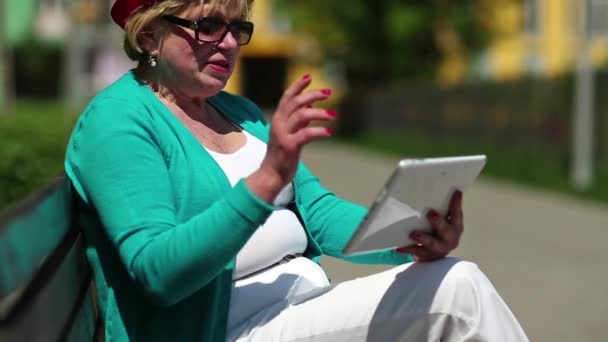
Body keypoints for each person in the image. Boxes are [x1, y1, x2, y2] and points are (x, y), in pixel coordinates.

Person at [64, 0, 530, 341]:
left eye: (236, 28)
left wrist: (408, 238)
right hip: (221, 331)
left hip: (302, 307)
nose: (228, 42)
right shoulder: (118, 122)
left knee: (449, 273)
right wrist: (266, 180)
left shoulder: (238, 110)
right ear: (148, 35)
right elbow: (157, 272)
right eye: (207, 25)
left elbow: (319, 213)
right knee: (459, 292)